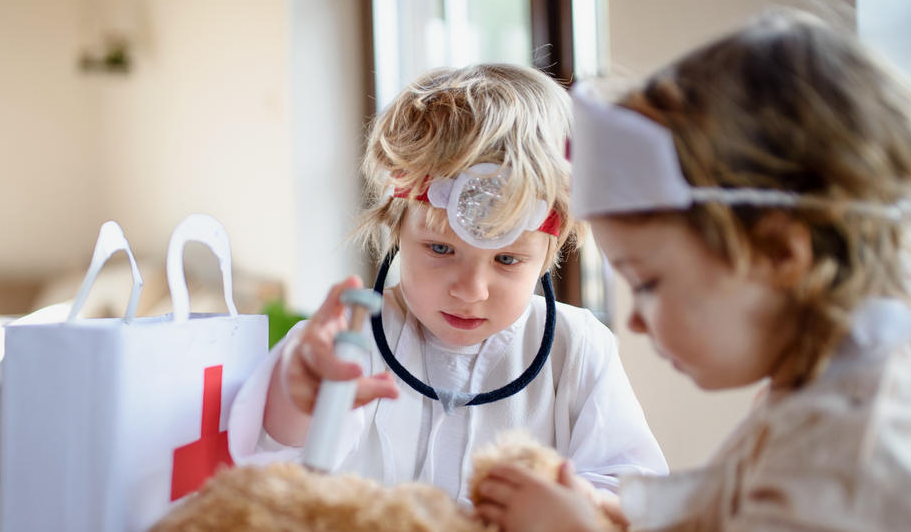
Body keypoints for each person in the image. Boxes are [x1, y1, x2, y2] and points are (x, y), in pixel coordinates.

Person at [475, 8, 911, 532]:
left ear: (782, 254)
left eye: (651, 283)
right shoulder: (826, 388)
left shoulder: (859, 431)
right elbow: (744, 520)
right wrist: (612, 516)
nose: (633, 319)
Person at [229, 63, 666, 501]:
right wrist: (295, 401)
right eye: (440, 250)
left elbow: (632, 491)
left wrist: (567, 508)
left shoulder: (579, 349)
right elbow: (273, 465)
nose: (471, 290)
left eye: (508, 259)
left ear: (549, 253)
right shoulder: (347, 341)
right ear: (396, 224)